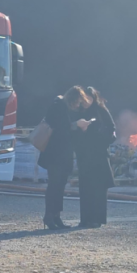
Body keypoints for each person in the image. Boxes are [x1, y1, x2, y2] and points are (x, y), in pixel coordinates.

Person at [37, 86, 87, 229]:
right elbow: (61, 129)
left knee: (60, 185)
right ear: (72, 99)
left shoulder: (62, 106)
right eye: (77, 102)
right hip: (55, 153)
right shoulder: (58, 106)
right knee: (54, 185)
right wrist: (77, 125)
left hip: (63, 153)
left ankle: (56, 216)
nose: (77, 106)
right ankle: (49, 216)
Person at [73, 86, 117, 229]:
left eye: (88, 98)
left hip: (99, 154)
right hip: (84, 154)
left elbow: (111, 129)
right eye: (83, 98)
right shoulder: (78, 112)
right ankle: (85, 218)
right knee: (85, 188)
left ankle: (97, 218)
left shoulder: (101, 110)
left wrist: (101, 139)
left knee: (98, 187)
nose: (86, 101)